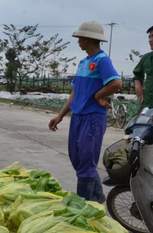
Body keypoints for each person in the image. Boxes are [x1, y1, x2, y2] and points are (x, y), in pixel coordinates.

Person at [48, 21, 123, 202]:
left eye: (80, 37)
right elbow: (75, 92)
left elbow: (116, 83)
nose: (78, 41)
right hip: (78, 118)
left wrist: (99, 95)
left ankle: (83, 207)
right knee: (77, 160)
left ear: (89, 39)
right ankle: (97, 196)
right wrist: (60, 115)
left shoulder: (101, 60)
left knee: (86, 164)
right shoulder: (84, 62)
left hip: (92, 118)